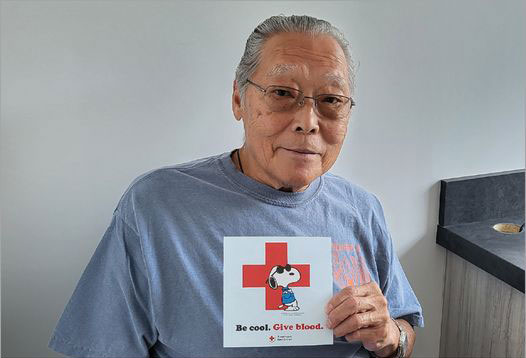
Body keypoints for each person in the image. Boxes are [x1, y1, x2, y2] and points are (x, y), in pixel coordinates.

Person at [48, 14, 423, 358]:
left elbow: (404, 332)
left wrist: (392, 337)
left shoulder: (363, 209)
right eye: (281, 93)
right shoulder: (157, 207)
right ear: (238, 99)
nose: (308, 121)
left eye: (330, 100)